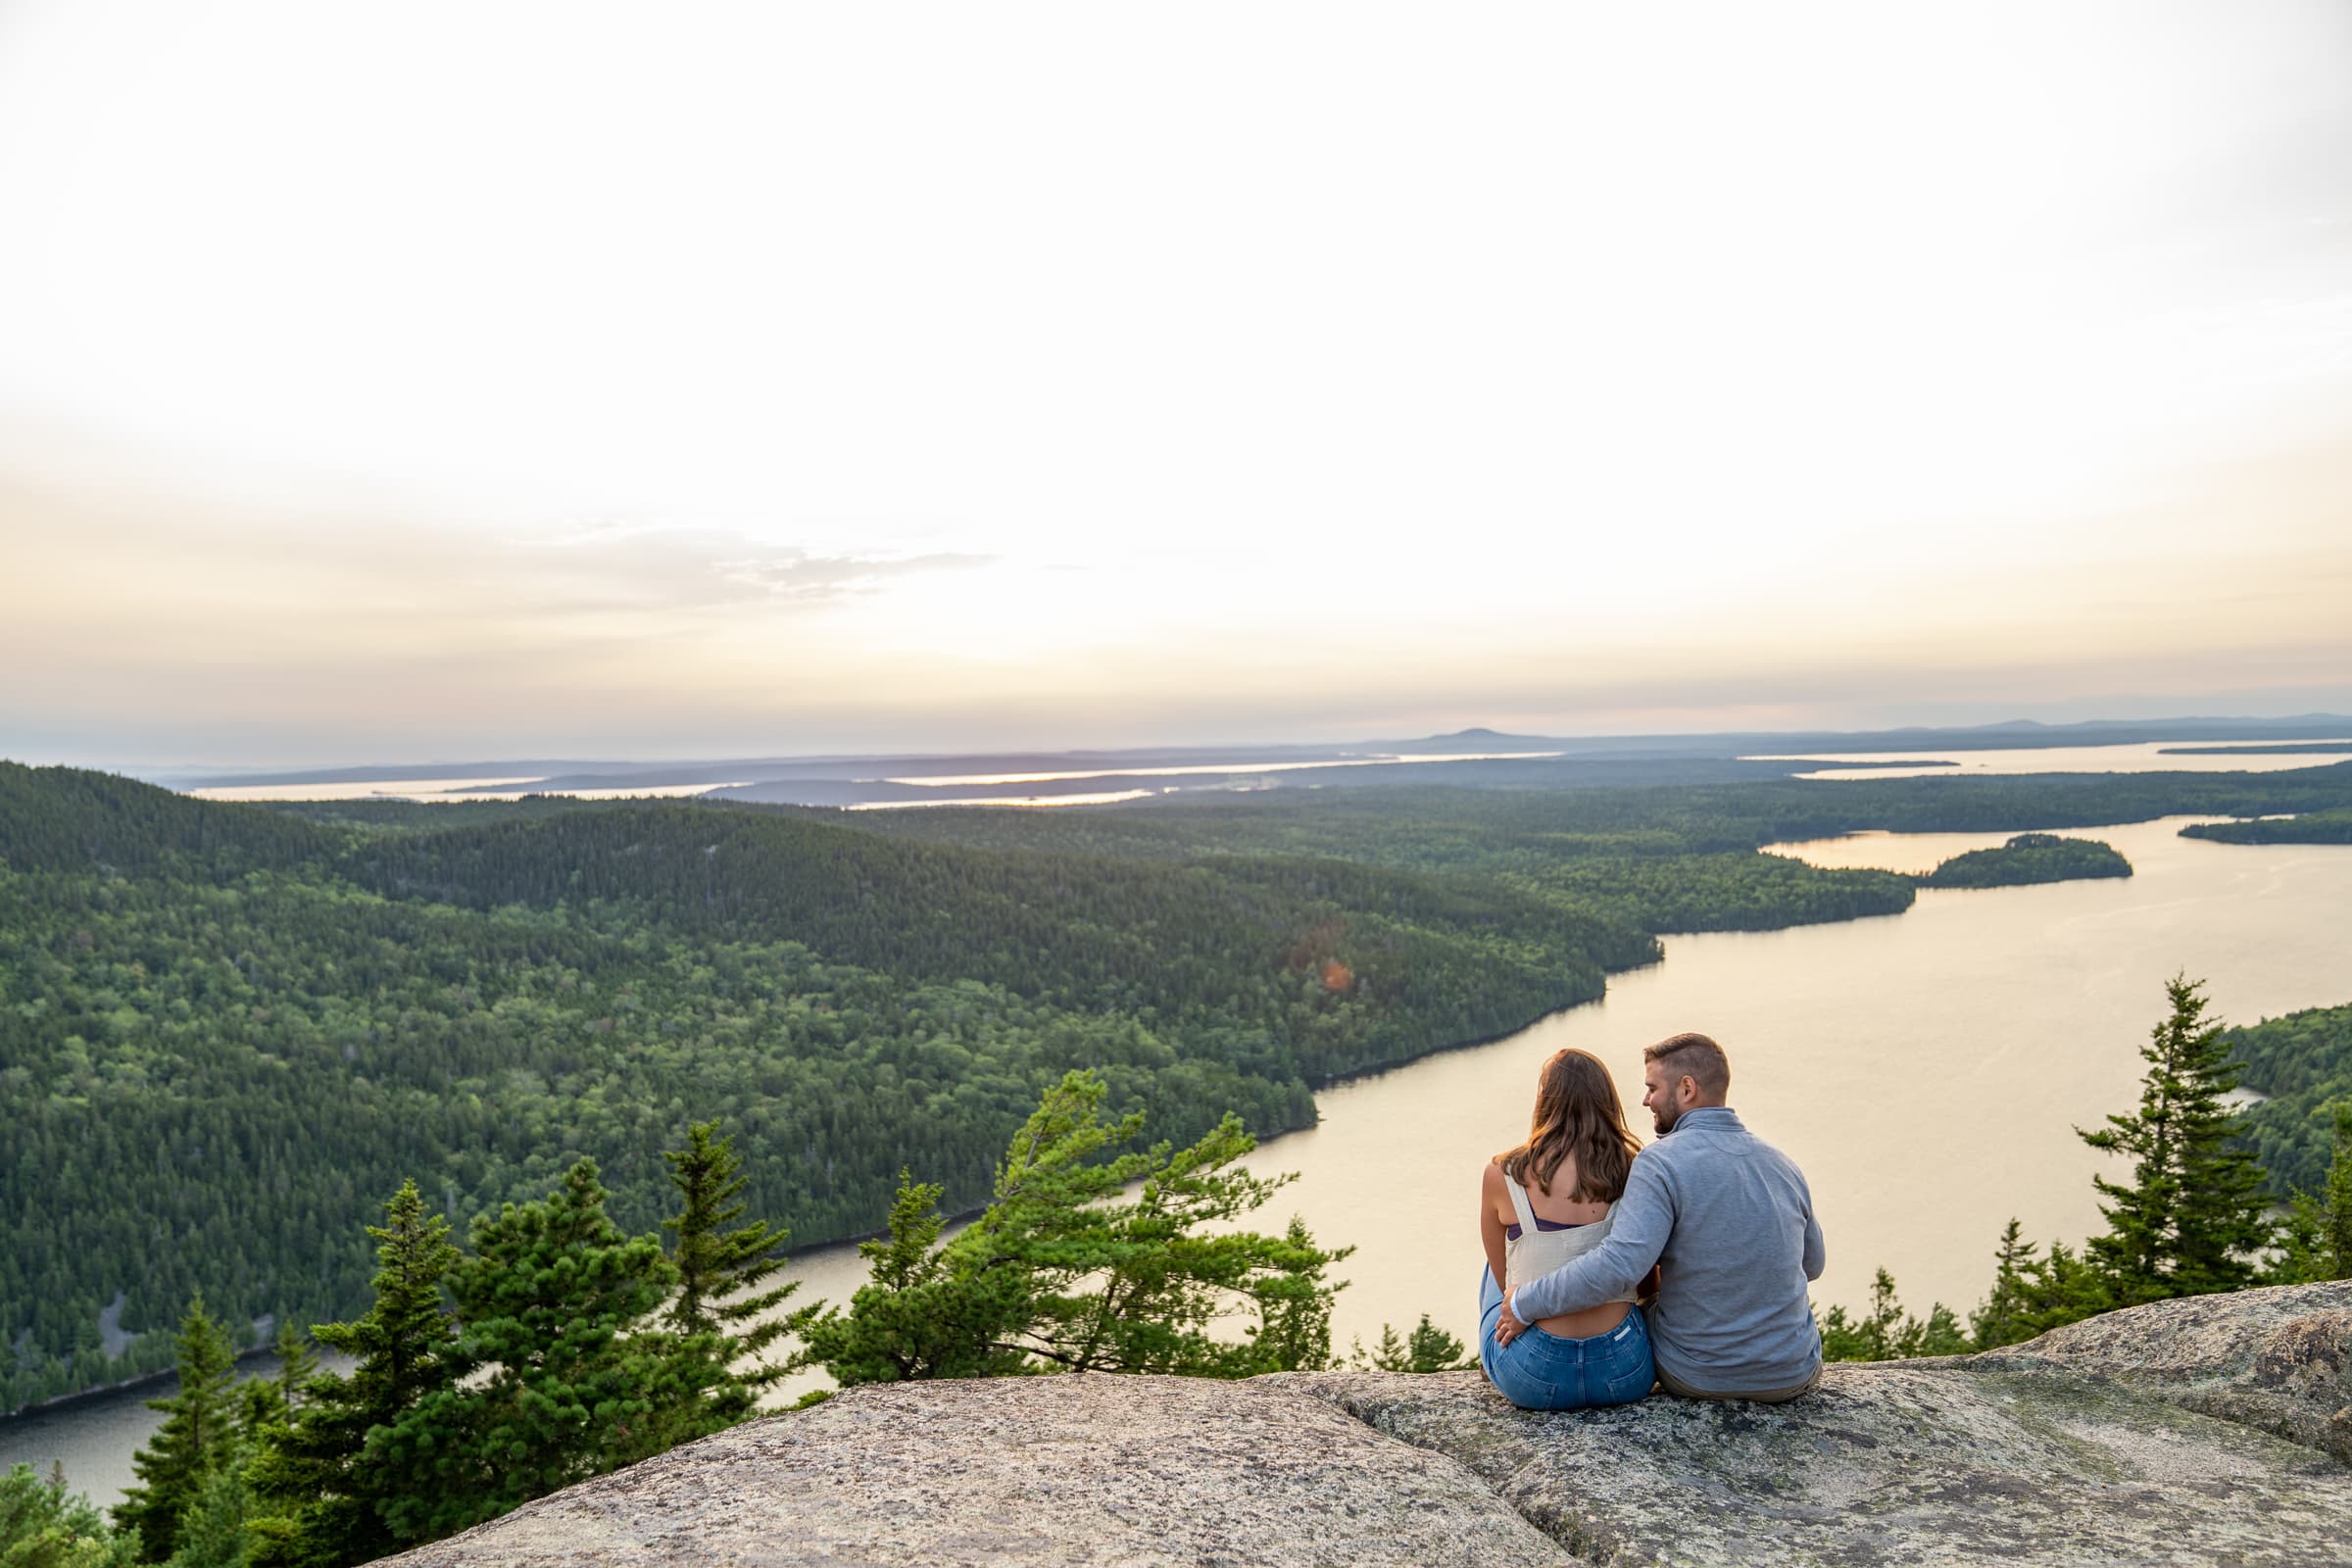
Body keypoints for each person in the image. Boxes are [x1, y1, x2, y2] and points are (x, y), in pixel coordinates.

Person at [1495, 1032, 1826, 1401]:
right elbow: (1812, 1265)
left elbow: (1620, 1267)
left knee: (1520, 1253)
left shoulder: (1661, 1162)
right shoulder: (1783, 1165)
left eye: (1652, 1088)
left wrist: (1524, 1302)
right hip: (1792, 1372)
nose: (1645, 1099)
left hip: (1696, 1374)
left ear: (1686, 1089)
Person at [1475, 1047, 1656, 1409]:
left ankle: (1492, 1360)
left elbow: (1503, 1281)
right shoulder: (1635, 1169)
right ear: (1607, 1099)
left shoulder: (1503, 1173)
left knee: (1496, 1276)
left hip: (1534, 1377)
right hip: (1623, 1371)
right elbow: (1647, 1282)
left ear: (1544, 1100)